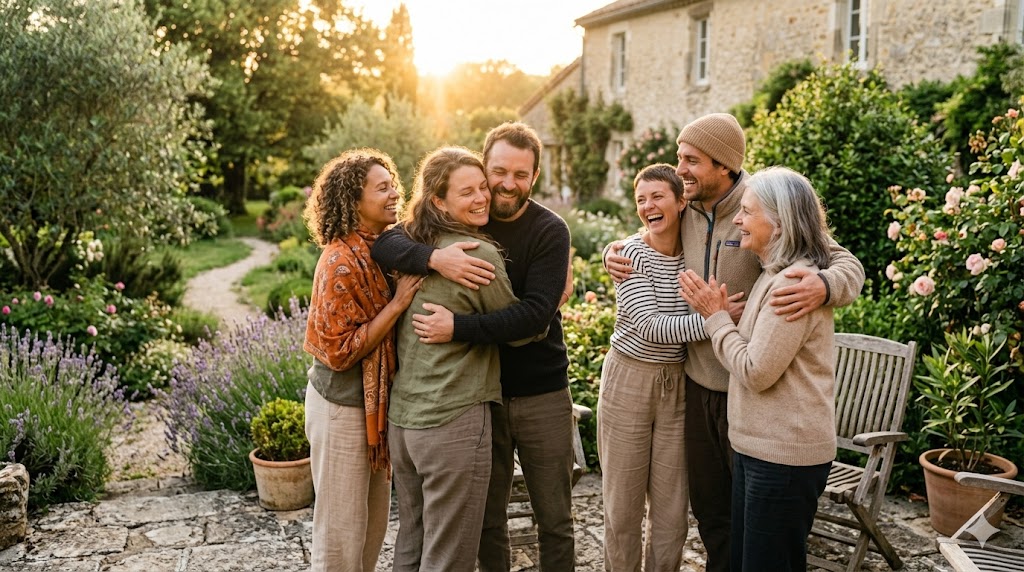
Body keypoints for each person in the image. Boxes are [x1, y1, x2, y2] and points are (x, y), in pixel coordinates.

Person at [604, 113, 864, 572]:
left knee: (753, 523)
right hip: (695, 384)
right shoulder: (685, 206)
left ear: (724, 165)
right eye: (679, 157)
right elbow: (649, 228)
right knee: (711, 515)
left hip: (749, 390)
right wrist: (617, 249)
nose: (679, 169)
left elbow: (844, 262)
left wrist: (824, 285)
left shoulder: (762, 206)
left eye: (691, 160)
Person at [371, 122, 576, 571]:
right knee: (485, 520)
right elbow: (385, 242)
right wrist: (434, 258)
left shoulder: (549, 230)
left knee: (554, 518)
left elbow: (533, 318)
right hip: (481, 399)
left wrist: (458, 326)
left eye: (519, 175)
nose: (501, 186)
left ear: (535, 177)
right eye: (495, 172)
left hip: (540, 392)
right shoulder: (442, 235)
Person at [678, 166, 838, 570]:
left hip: (784, 457)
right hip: (758, 449)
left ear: (779, 222)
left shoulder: (792, 284)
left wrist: (714, 317)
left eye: (748, 212)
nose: (737, 220)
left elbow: (754, 370)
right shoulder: (773, 275)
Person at [387, 146, 533, 572]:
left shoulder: (411, 245)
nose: (482, 198)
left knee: (412, 539)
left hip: (405, 424)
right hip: (453, 420)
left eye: (482, 188)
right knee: (450, 554)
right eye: (466, 192)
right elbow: (525, 330)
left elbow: (386, 239)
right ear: (438, 200)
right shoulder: (476, 254)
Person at [599, 164, 736, 571]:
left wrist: (715, 318)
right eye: (641, 199)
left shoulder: (695, 249)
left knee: (673, 510)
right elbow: (649, 327)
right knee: (622, 508)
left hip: (678, 383)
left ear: (681, 202)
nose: (648, 206)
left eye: (657, 196)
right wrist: (719, 320)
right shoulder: (630, 254)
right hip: (630, 378)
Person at [301, 148, 423, 572]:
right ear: (354, 201)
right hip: (341, 409)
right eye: (382, 188)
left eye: (394, 185)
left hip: (374, 408)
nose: (395, 195)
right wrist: (398, 304)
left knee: (370, 533)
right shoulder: (340, 260)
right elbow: (339, 352)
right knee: (340, 537)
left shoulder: (386, 248)